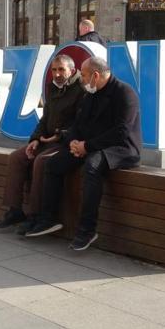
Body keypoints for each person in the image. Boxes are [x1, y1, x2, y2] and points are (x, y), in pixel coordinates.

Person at [25, 57, 141, 251]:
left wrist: (87, 146)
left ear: (96, 75)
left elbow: (121, 132)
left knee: (92, 166)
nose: (82, 79)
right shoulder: (90, 94)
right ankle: (48, 218)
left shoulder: (125, 93)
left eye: (85, 75)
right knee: (53, 164)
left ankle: (87, 230)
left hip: (121, 149)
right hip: (90, 145)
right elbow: (78, 125)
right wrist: (73, 143)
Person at [0, 55, 85, 232]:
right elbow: (45, 119)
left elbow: (80, 124)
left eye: (61, 70)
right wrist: (35, 139)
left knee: (40, 162)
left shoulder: (81, 90)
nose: (57, 74)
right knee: (16, 157)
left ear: (72, 71)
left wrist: (59, 135)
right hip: (47, 140)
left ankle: (35, 215)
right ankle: (14, 210)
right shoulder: (52, 88)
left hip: (65, 142)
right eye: (54, 70)